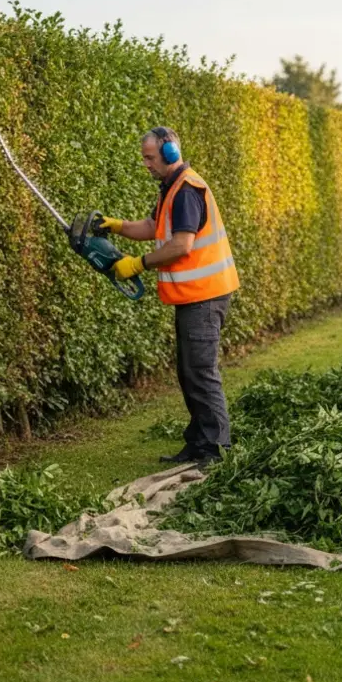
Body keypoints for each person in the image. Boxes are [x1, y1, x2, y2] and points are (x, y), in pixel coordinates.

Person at [96, 127, 240, 464]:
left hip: (205, 296)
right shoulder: (171, 189)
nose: (145, 163)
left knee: (201, 372)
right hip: (194, 296)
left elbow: (181, 244)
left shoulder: (187, 189)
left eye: (150, 157)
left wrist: (138, 264)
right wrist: (116, 225)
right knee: (189, 372)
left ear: (170, 154)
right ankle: (199, 443)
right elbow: (153, 227)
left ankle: (217, 449)